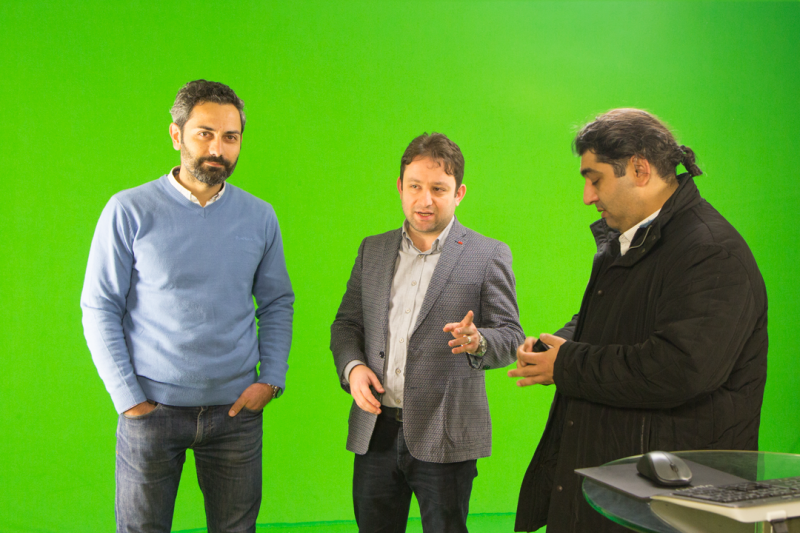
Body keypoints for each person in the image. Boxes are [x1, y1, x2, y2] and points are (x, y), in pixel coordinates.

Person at [509, 108, 768, 533]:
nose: (587, 196)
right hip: (617, 495)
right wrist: (556, 344)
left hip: (669, 509)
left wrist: (567, 364)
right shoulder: (633, 240)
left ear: (640, 169)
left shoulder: (711, 252)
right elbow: (614, 317)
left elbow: (679, 368)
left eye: (595, 180)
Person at [80, 80, 294, 533]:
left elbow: (277, 301)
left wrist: (271, 379)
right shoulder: (128, 210)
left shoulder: (260, 216)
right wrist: (128, 399)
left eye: (230, 137)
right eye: (205, 134)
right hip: (151, 411)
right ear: (176, 135)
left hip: (236, 414)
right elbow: (100, 306)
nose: (218, 148)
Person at [331, 132, 524, 532]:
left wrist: (478, 342)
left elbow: (511, 336)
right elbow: (346, 325)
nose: (425, 200)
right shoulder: (372, 250)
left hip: (446, 433)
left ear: (459, 193)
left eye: (438, 189)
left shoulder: (487, 254)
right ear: (400, 187)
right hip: (376, 430)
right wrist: (353, 368)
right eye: (415, 186)